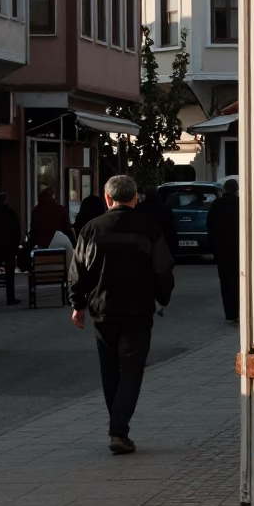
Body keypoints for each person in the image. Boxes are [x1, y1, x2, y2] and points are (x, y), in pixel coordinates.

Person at [69, 175, 174, 455]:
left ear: (107, 198)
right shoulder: (149, 230)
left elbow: (78, 271)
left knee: (109, 370)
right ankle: (118, 430)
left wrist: (78, 304)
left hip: (103, 311)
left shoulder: (91, 229)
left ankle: (119, 429)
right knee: (131, 369)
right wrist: (162, 299)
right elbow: (163, 269)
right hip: (138, 311)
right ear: (136, 198)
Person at [207, 178, 240, 322]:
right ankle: (239, 309)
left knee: (225, 281)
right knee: (238, 280)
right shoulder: (240, 204)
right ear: (236, 189)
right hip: (238, 248)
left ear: (225, 189)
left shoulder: (217, 204)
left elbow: (209, 226)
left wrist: (214, 246)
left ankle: (229, 312)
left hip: (221, 248)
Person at [28, 186, 75, 268]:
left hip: (42, 251)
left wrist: (28, 248)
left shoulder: (36, 211)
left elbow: (33, 233)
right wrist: (75, 245)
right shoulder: (62, 210)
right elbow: (67, 230)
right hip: (60, 251)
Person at [141, 185, 174, 252]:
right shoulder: (164, 208)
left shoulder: (139, 208)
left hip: (144, 242)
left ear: (145, 195)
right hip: (161, 242)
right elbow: (170, 228)